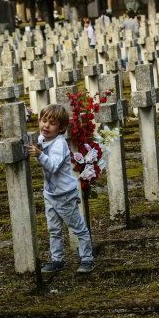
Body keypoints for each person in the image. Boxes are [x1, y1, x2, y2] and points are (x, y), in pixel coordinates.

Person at [27, 103, 94, 274]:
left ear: (62, 128)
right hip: (50, 194)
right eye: (43, 121)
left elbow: (53, 166)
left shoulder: (59, 144)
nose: (46, 126)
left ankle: (87, 258)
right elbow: (39, 144)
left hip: (64, 194)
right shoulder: (43, 139)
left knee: (78, 227)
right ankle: (57, 259)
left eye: (52, 123)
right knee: (54, 229)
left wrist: (39, 154)